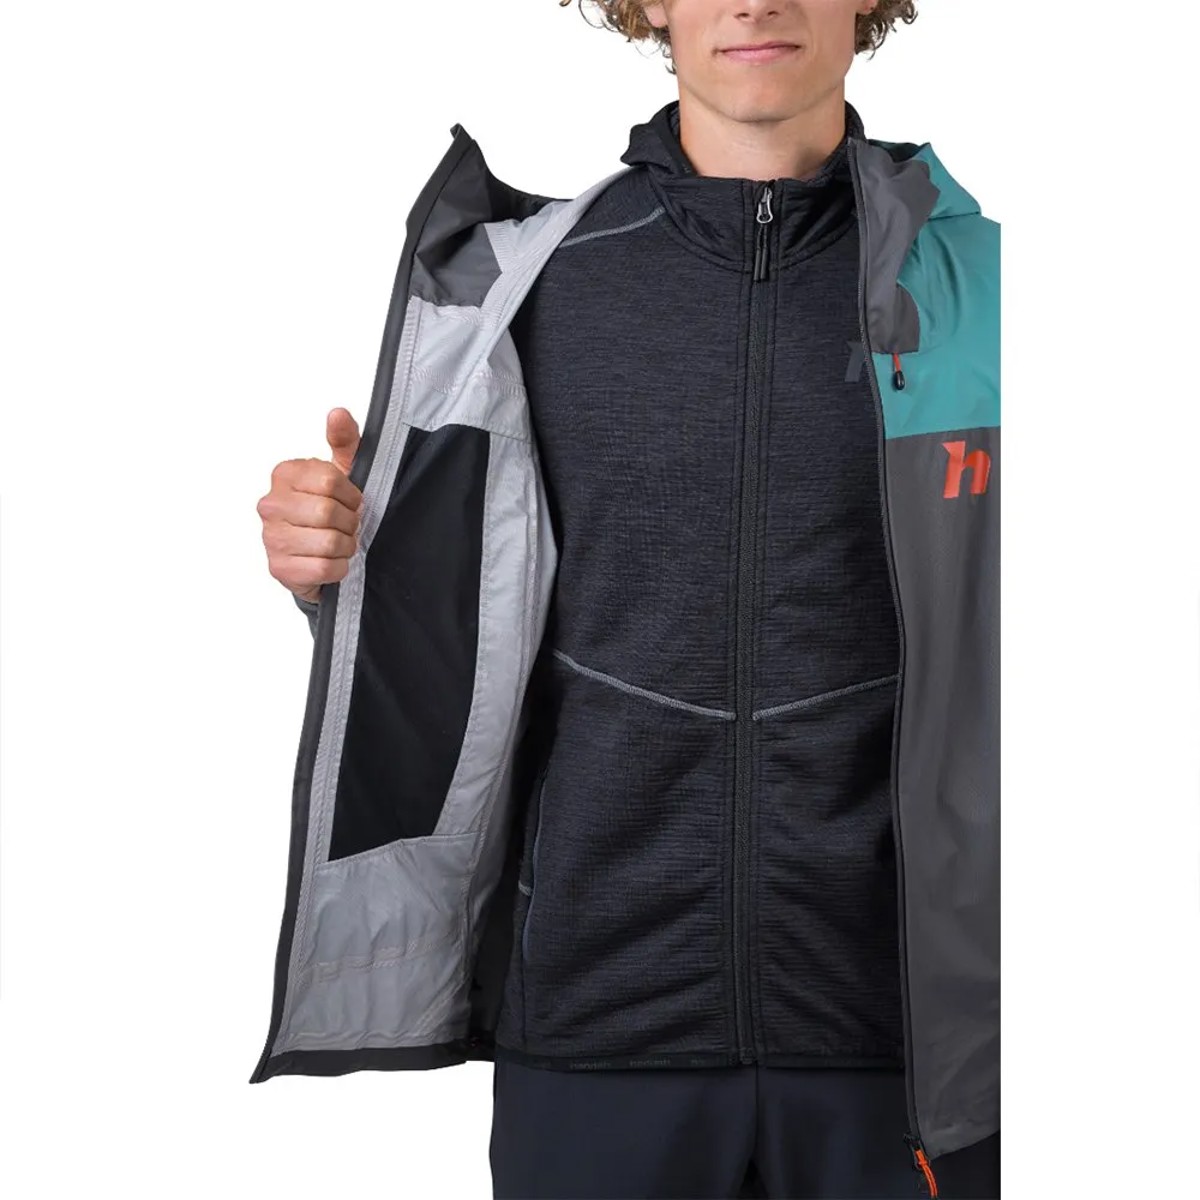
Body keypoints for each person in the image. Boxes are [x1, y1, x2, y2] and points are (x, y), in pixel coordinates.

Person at [252, 2, 1000, 1197]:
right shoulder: (528, 287)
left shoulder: (994, 297)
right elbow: (454, 617)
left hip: (916, 1038)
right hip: (596, 1024)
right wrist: (342, 567)